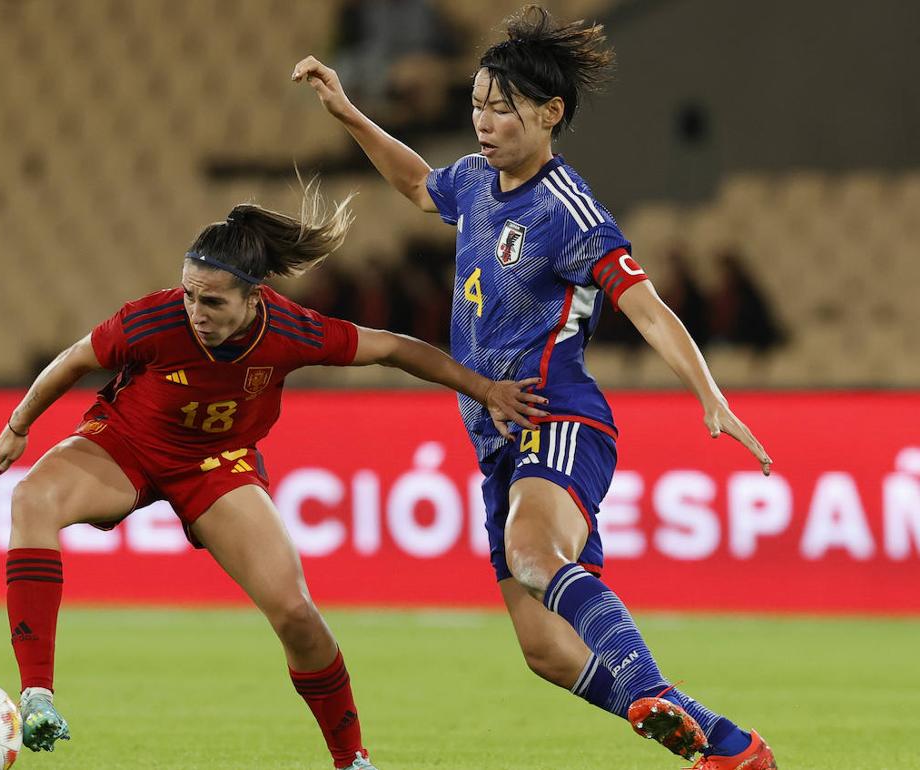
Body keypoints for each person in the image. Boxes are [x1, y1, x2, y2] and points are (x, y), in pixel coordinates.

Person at [293, 6, 777, 769]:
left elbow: (643, 304)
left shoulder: (566, 207)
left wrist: (709, 393)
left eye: (503, 109)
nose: (484, 123)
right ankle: (725, 745)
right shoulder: (479, 183)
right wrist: (350, 112)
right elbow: (420, 184)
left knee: (532, 549)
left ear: (550, 114)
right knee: (546, 650)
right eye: (478, 105)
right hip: (496, 436)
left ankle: (649, 690)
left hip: (559, 412)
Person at [0, 183, 548, 769]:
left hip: (216, 465)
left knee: (297, 613)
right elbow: (74, 360)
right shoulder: (153, 319)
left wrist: (483, 388)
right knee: (31, 499)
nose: (196, 312)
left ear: (253, 298)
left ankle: (352, 760)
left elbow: (392, 349)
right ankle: (37, 694)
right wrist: (18, 426)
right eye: (191, 294)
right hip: (126, 446)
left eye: (214, 302)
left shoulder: (290, 332)